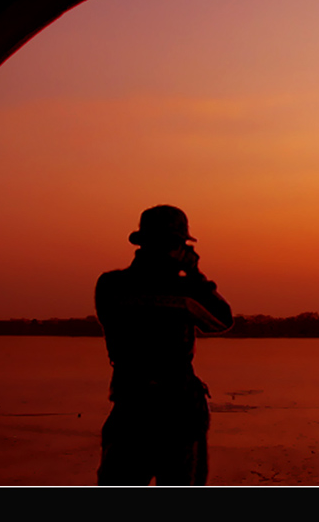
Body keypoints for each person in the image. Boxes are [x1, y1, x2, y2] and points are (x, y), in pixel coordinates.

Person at [94, 205, 233, 486]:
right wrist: (195, 276)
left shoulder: (111, 284)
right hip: (167, 413)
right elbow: (220, 321)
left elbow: (220, 321)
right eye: (176, 244)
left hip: (136, 409)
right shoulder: (182, 289)